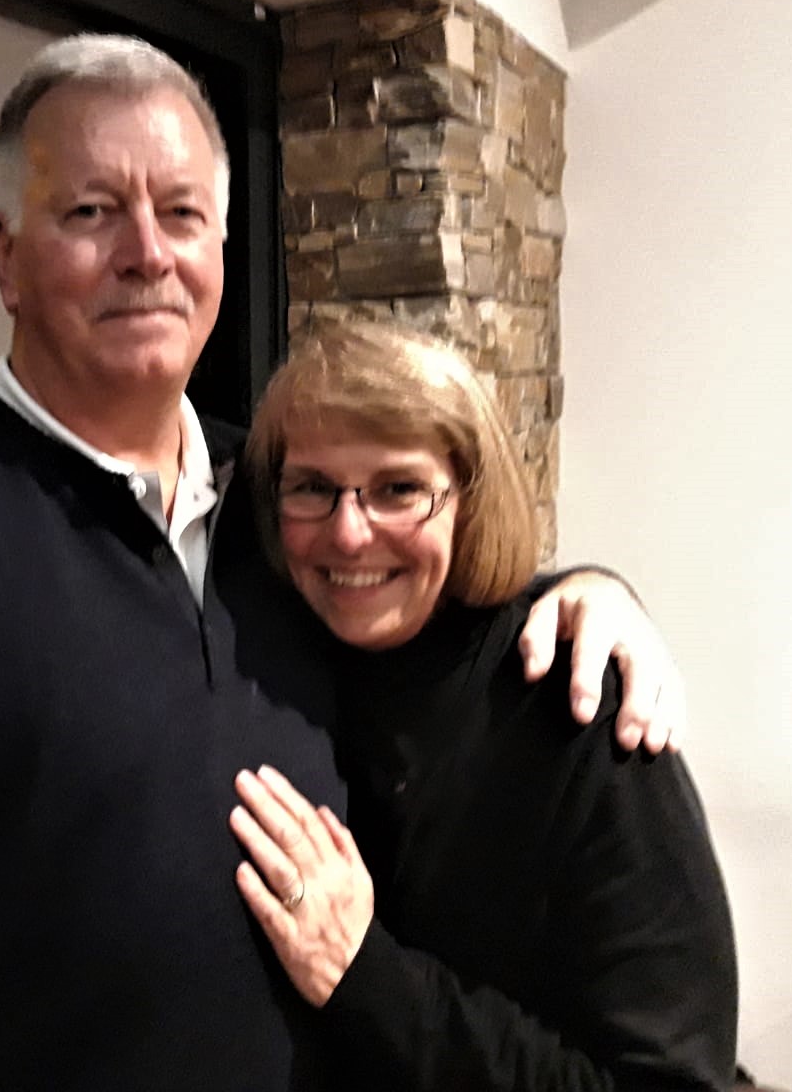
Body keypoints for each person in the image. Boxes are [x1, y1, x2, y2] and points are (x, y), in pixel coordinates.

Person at [0, 34, 684, 1090]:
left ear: (221, 250)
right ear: (7, 258)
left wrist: (585, 594)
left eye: (182, 213)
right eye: (91, 211)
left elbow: (428, 592)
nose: (147, 253)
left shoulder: (284, 515)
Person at [230, 320, 737, 1090]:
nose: (349, 533)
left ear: (470, 498)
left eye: (399, 489)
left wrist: (364, 977)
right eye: (311, 487)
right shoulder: (274, 649)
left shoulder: (579, 712)